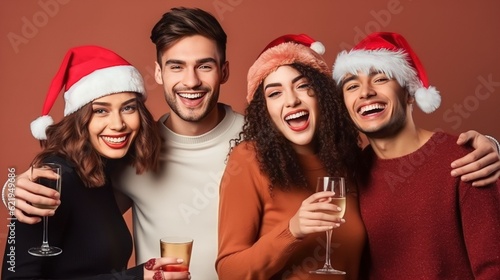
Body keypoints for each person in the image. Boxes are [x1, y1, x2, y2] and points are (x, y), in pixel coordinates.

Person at [3, 7, 500, 279]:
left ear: (224, 71)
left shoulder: (266, 136)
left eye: (204, 65)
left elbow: (384, 149)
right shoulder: (135, 144)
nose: (191, 80)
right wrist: (12, 193)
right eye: (176, 66)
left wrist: (485, 146)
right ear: (157, 73)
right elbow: (80, 185)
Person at [1, 46, 190, 279]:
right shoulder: (52, 179)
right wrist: (137, 277)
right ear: (79, 119)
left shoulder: (106, 166)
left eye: (128, 108)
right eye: (101, 111)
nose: (118, 124)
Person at [332, 31, 500, 279]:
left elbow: (493, 268)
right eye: (352, 85)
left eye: (380, 79)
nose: (365, 92)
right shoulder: (350, 175)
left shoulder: (465, 160)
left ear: (410, 93)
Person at [216, 34, 367, 279]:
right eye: (275, 93)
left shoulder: (346, 159)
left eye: (303, 86)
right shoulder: (248, 160)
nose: (292, 100)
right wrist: (292, 230)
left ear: (322, 96)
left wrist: (448, 152)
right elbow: (229, 272)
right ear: (265, 110)